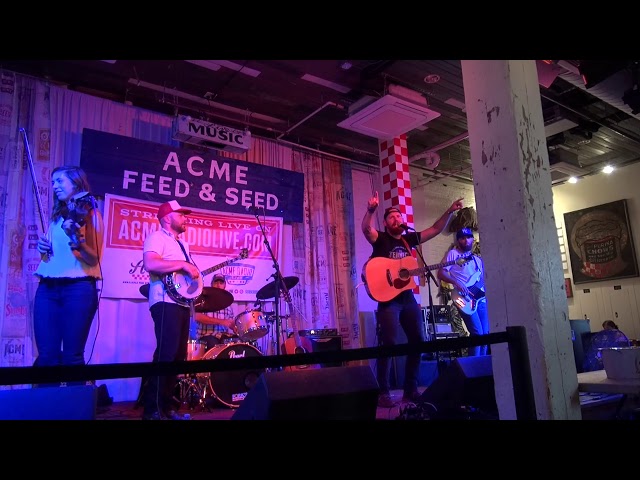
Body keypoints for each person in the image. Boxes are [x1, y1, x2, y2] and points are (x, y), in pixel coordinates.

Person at [362, 191, 464, 408]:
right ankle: (383, 391)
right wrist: (370, 210)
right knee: (388, 343)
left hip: (407, 298)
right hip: (388, 300)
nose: (396, 219)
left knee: (418, 340)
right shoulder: (381, 238)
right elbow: (365, 229)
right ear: (386, 223)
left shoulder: (409, 240)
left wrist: (450, 211)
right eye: (391, 217)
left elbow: (436, 229)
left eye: (398, 216)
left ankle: (411, 390)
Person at [33, 165, 104, 383]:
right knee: (46, 356)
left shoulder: (90, 213)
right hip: (47, 288)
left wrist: (78, 242)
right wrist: (43, 250)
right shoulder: (57, 217)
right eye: (53, 182)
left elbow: (93, 258)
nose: (54, 186)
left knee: (72, 356)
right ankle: (45, 409)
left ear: (76, 183)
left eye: (59, 181)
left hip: (78, 288)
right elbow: (51, 259)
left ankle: (72, 411)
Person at [141, 199, 200, 420]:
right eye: (181, 214)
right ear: (168, 217)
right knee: (165, 354)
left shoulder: (183, 244)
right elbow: (151, 264)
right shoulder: (157, 237)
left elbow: (182, 277)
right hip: (164, 302)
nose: (186, 218)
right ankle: (152, 408)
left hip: (181, 303)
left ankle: (167, 406)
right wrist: (184, 265)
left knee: (177, 357)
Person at [437, 227, 489, 357]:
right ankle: (473, 367)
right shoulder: (453, 254)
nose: (466, 240)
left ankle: (482, 366)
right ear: (458, 240)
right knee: (477, 334)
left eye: (468, 237)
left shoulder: (478, 259)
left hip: (481, 298)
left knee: (486, 335)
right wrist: (456, 282)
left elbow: (483, 278)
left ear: (473, 239)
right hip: (463, 298)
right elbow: (441, 273)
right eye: (462, 238)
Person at [194, 273, 237, 351]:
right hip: (206, 337)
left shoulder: (229, 305)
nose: (218, 285)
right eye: (216, 282)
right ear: (211, 284)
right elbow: (197, 316)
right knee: (214, 345)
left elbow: (229, 323)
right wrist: (221, 321)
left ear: (224, 286)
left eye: (221, 283)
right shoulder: (203, 300)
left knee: (237, 343)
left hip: (223, 337)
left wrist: (235, 327)